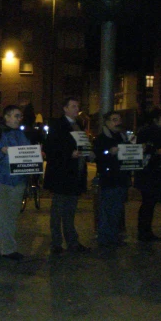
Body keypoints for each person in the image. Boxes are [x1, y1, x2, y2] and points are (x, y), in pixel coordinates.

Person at [43, 97, 94, 255]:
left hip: (75, 174)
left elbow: (82, 145)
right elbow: (50, 148)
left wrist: (88, 152)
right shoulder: (58, 125)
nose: (76, 109)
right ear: (65, 108)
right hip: (61, 175)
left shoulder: (78, 125)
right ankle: (56, 243)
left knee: (70, 211)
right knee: (58, 211)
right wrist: (68, 153)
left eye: (77, 106)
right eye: (73, 106)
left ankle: (72, 241)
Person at [0, 105, 31, 261]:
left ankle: (9, 249)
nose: (19, 119)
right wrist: (1, 152)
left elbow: (27, 156)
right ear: (6, 117)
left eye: (20, 116)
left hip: (17, 181)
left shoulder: (21, 135)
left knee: (11, 216)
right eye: (16, 116)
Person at [93, 111, 131, 248]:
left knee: (117, 209)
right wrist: (109, 152)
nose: (118, 123)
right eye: (114, 120)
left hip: (121, 177)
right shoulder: (102, 138)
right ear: (107, 122)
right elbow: (98, 156)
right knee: (107, 208)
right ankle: (104, 237)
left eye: (119, 119)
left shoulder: (123, 137)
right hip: (109, 178)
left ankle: (114, 236)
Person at [134, 108, 161, 242]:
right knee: (148, 203)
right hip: (149, 172)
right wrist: (156, 151)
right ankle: (144, 231)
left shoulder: (158, 131)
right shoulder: (150, 132)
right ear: (156, 119)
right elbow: (142, 148)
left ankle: (145, 230)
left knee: (149, 203)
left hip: (152, 172)